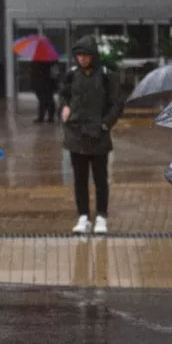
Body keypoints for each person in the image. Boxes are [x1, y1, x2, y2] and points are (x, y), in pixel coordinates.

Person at [59, 36, 122, 234]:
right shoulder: (71, 75)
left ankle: (101, 216)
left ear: (93, 55)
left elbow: (116, 104)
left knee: (100, 178)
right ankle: (83, 216)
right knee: (79, 179)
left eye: (86, 55)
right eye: (79, 55)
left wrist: (105, 125)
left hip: (98, 135)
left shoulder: (106, 75)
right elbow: (63, 95)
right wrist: (65, 107)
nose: (82, 59)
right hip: (76, 134)